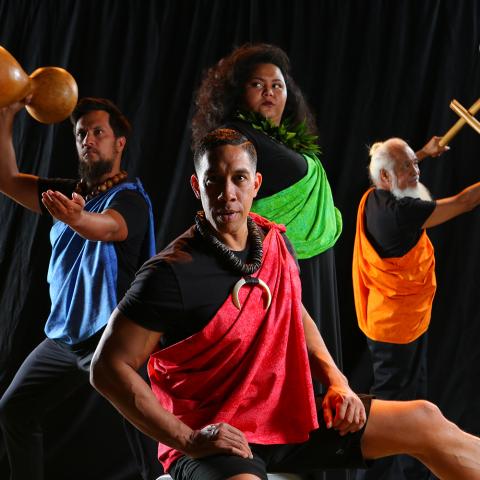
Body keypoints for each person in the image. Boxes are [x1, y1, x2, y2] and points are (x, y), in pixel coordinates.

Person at [91, 128, 480, 480]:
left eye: (239, 178)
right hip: (217, 436)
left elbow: (292, 309)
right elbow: (108, 367)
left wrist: (337, 381)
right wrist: (189, 439)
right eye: (214, 179)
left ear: (255, 184)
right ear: (197, 186)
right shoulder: (168, 272)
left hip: (284, 413)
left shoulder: (275, 243)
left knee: (426, 421)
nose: (227, 192)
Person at [0, 97, 158, 479]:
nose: (88, 139)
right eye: (81, 133)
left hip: (112, 336)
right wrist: (5, 117)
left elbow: (109, 228)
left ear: (119, 143)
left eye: (98, 132)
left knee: (146, 424)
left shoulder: (130, 198)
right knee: (14, 409)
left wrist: (78, 218)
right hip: (64, 338)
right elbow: (7, 180)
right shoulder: (70, 193)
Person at [191, 43, 344, 374]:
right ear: (237, 91)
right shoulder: (234, 138)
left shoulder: (280, 139)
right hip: (273, 263)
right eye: (257, 84)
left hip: (309, 259)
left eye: (277, 85)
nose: (269, 93)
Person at [352, 137, 480, 480]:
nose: (416, 171)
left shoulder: (374, 197)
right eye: (406, 167)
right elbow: (467, 201)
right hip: (397, 330)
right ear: (385, 178)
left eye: (415, 163)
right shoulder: (404, 212)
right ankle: (376, 475)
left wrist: (423, 152)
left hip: (395, 320)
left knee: (414, 405)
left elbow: (396, 167)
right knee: (392, 413)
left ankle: (413, 472)